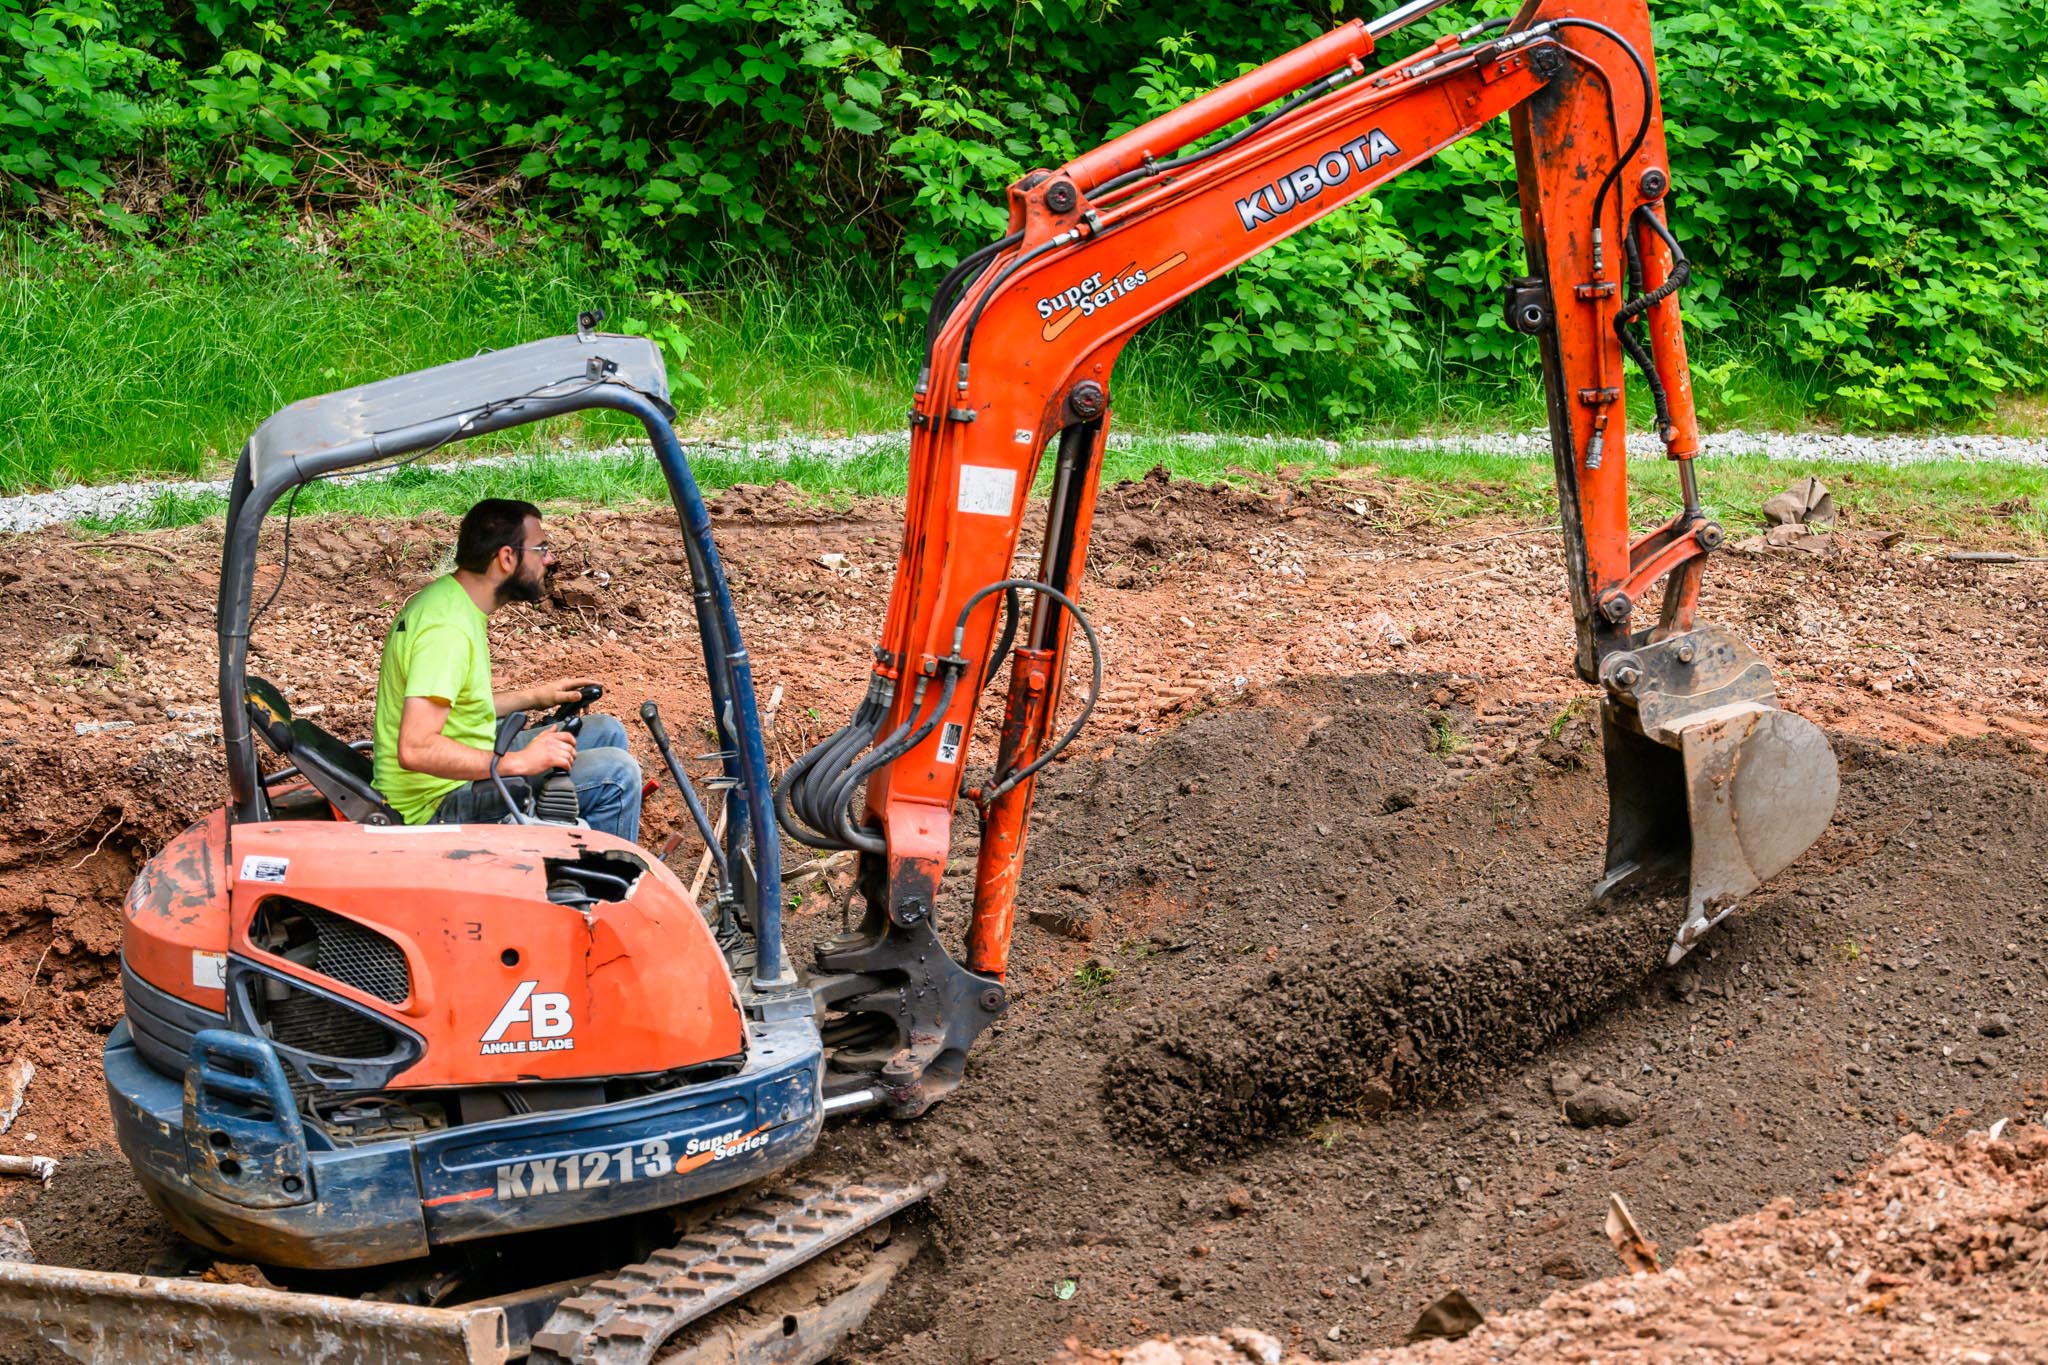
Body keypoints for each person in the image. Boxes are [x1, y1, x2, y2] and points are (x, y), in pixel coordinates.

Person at [371, 498, 643, 840]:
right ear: (506, 557)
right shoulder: (446, 630)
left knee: (605, 731)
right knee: (618, 776)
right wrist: (517, 763)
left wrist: (535, 696)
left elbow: (460, 706)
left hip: (459, 774)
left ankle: (574, 847)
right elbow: (415, 748)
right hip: (436, 803)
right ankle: (597, 887)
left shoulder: (453, 602)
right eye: (540, 548)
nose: (549, 559)